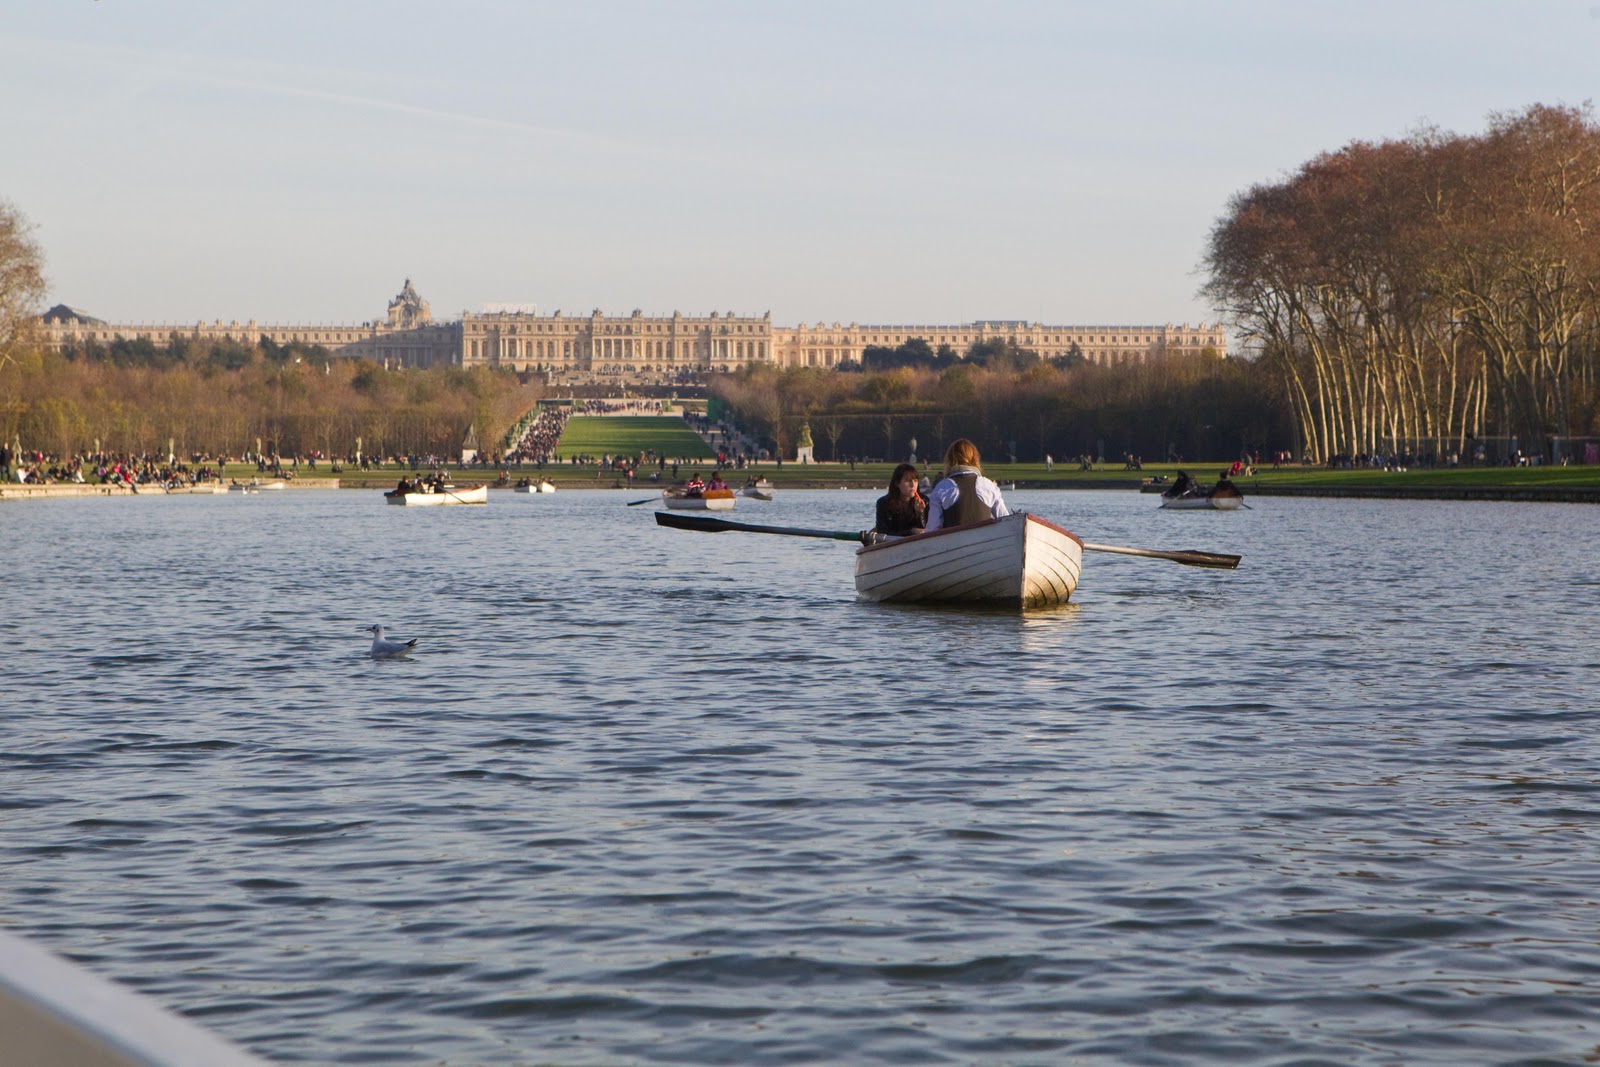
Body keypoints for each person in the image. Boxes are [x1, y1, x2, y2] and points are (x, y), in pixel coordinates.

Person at [925, 439, 1009, 531]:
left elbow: (932, 529)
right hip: (985, 542)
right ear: (975, 459)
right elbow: (1007, 522)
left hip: (953, 543)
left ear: (950, 460)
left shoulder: (942, 487)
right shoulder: (988, 485)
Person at [874, 462, 927, 538]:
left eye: (915, 481)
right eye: (908, 481)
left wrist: (920, 514)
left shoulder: (925, 501)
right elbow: (883, 532)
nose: (913, 485)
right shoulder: (883, 503)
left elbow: (927, 530)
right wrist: (911, 531)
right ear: (897, 483)